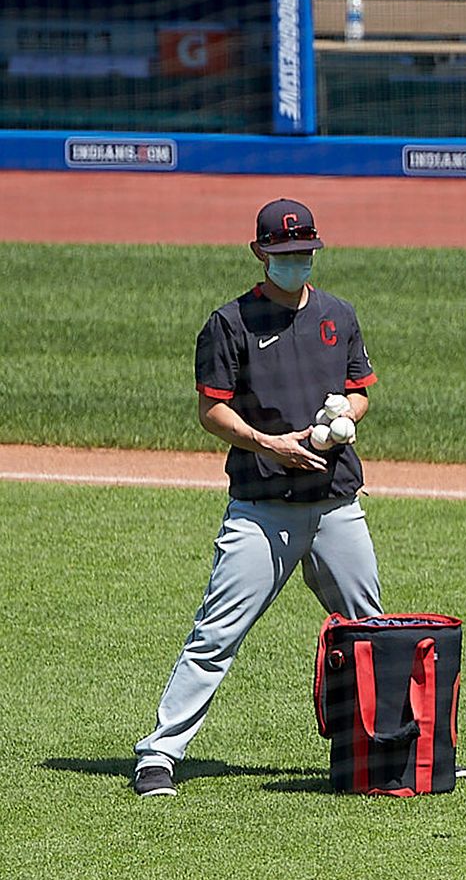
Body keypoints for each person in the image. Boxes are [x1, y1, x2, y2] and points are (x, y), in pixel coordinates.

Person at [133, 199, 383, 797]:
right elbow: (211, 411)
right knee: (216, 634)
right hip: (262, 509)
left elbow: (360, 389)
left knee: (373, 632)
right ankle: (159, 753)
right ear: (260, 254)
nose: (297, 262)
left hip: (335, 505)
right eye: (285, 254)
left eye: (305, 253)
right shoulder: (229, 324)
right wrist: (267, 444)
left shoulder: (337, 315)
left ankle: (393, 747)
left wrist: (346, 412)